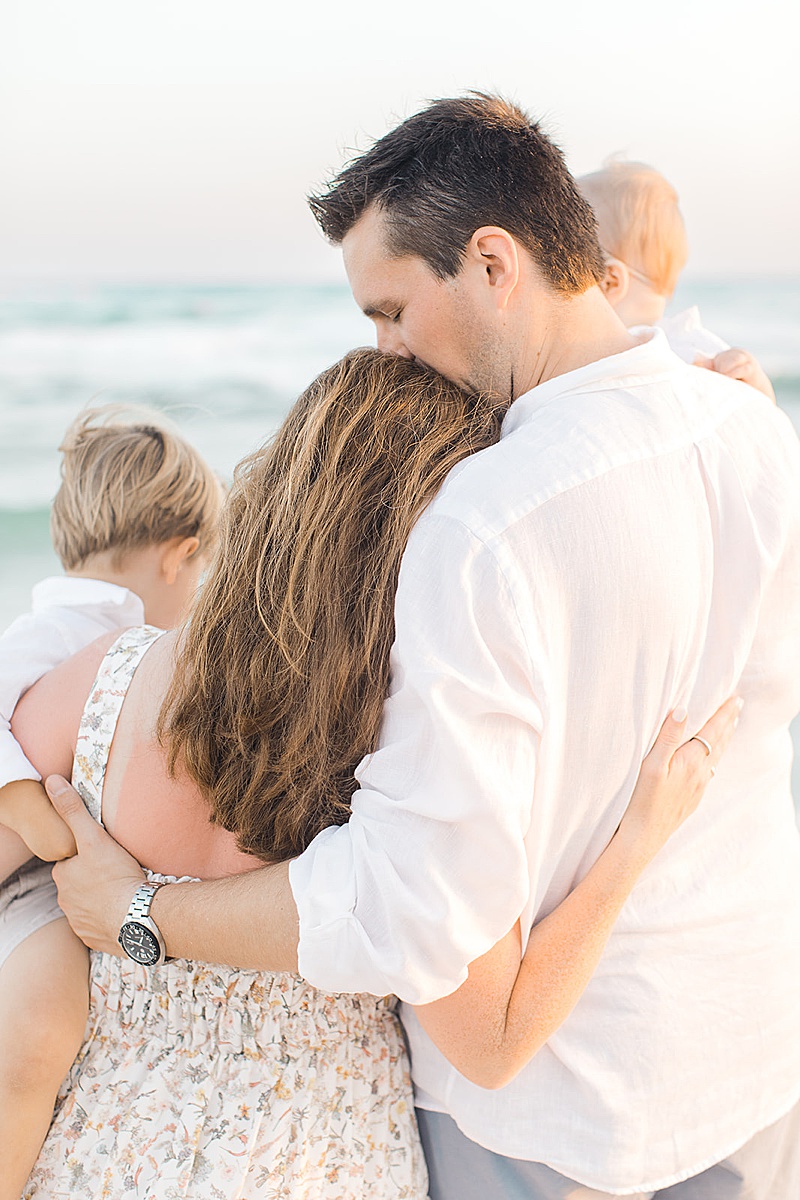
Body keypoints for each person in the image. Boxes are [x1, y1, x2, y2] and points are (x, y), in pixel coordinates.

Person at [48, 95, 800, 1198]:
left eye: (391, 310)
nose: (385, 350)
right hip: (743, 1053)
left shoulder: (483, 521)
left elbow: (407, 905)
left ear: (492, 263)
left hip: (554, 1113)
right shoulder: (744, 425)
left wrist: (143, 916)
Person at [15, 349, 735, 1199]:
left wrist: (99, 899)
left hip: (108, 1153)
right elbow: (494, 1042)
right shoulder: (397, 759)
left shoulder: (95, 682)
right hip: (321, 1162)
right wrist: (637, 841)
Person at [0, 405, 221, 1200]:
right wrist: (24, 801)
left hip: (38, 883)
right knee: (42, 1026)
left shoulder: (86, 622)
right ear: (182, 556)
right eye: (200, 574)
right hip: (22, 888)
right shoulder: (65, 627)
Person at [578, 160, 776, 398]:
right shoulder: (687, 346)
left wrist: (751, 377)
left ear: (610, 282)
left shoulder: (689, 349)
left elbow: (758, 414)